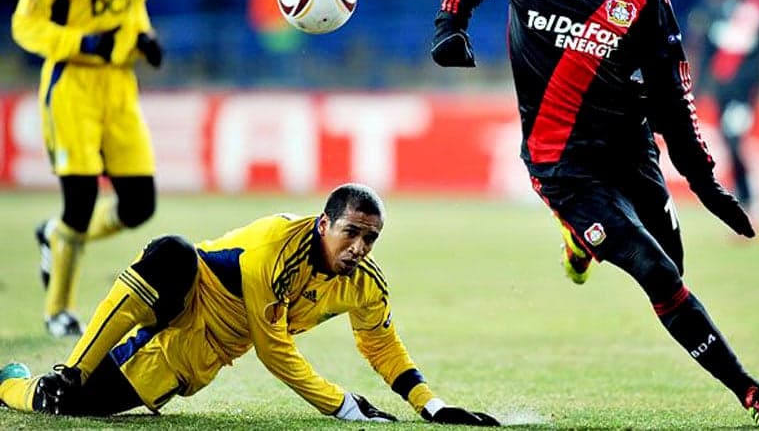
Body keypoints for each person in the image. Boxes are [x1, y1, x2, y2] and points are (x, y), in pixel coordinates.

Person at [429, 0, 759, 429]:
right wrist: (449, 27)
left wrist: (707, 186)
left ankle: (581, 243)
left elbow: (675, 103)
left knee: (674, 266)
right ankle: (754, 395)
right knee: (659, 274)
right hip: (562, 167)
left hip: (631, 152)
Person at [0, 183, 499, 426]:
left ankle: (16, 384)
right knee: (172, 251)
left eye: (371, 238)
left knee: (62, 408)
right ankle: (71, 368)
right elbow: (272, 348)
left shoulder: (364, 284)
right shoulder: (275, 246)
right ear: (324, 224)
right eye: (352, 233)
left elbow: (383, 346)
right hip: (184, 293)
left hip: (189, 355)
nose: (360, 248)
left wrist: (431, 406)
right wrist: (341, 404)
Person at [11, 0, 163, 338]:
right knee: (79, 201)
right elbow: (24, 24)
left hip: (119, 86)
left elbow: (134, 5)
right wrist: (79, 42)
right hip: (71, 87)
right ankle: (59, 308)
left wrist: (146, 37)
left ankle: (54, 235)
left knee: (139, 205)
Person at [688, 0, 759, 219]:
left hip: (747, 89)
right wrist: (698, 86)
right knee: (729, 139)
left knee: (735, 136)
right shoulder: (712, 5)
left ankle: (751, 198)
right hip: (722, 89)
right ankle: (745, 195)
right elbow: (701, 50)